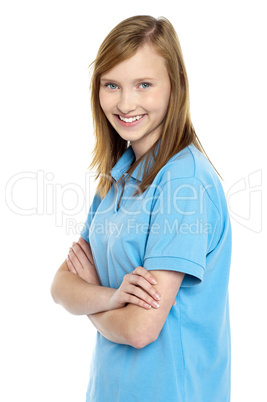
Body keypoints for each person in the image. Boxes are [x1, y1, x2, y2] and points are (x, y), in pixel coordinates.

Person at [51, 15, 232, 402]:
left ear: (175, 87)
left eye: (144, 85)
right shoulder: (116, 178)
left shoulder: (184, 182)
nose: (125, 102)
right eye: (111, 85)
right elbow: (61, 286)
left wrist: (92, 296)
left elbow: (139, 329)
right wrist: (113, 297)